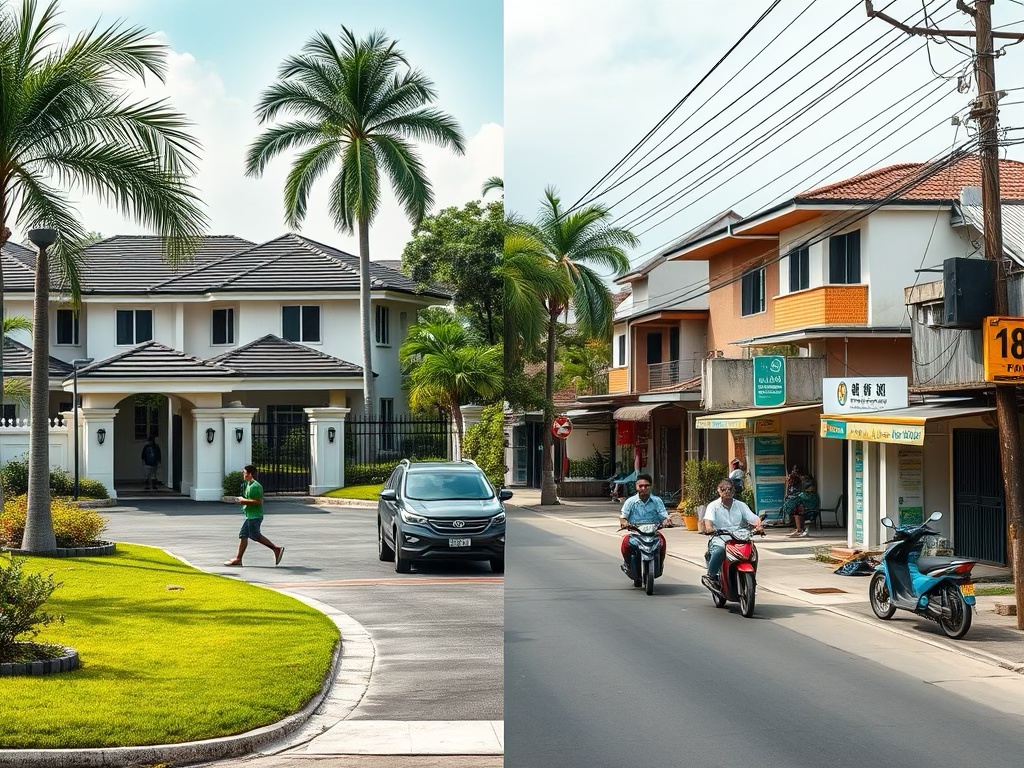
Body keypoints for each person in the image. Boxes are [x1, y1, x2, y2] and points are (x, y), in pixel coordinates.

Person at [701, 477, 763, 589]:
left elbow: (751, 517)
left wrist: (758, 525)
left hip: (741, 536)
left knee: (752, 552)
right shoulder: (713, 506)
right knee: (720, 550)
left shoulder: (741, 505)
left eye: (730, 489)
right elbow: (708, 521)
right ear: (718, 490)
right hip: (720, 537)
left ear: (734, 491)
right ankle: (711, 575)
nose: (727, 491)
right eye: (723, 488)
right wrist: (709, 528)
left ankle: (752, 578)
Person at [224, 465, 285, 567]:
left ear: (250, 474)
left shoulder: (255, 486)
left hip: (254, 516)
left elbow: (258, 501)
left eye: (245, 473)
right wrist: (242, 499)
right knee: (243, 535)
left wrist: (243, 501)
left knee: (256, 536)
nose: (243, 474)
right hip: (249, 515)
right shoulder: (248, 484)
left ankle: (276, 549)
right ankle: (238, 559)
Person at [618, 473, 673, 571]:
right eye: (641, 486)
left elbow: (663, 515)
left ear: (650, 487)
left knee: (662, 542)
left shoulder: (657, 501)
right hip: (636, 533)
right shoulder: (630, 501)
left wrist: (666, 521)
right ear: (636, 487)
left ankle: (660, 565)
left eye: (646, 486)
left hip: (653, 532)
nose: (643, 488)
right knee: (625, 543)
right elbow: (623, 516)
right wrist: (624, 523)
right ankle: (627, 564)